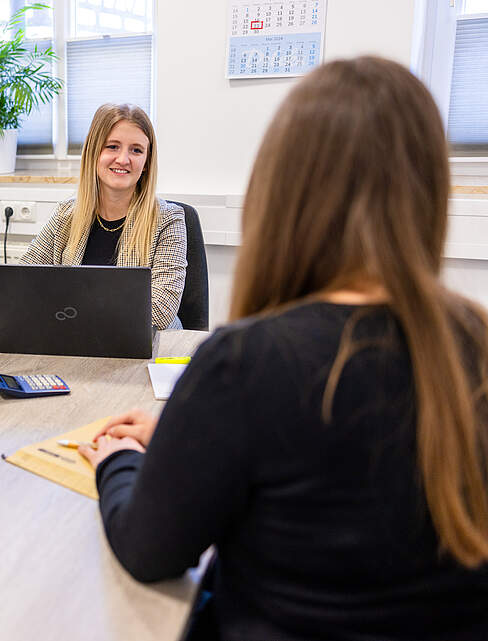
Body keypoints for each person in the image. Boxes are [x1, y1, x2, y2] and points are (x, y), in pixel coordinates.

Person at [79, 57, 488, 640]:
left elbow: (150, 549)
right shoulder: (475, 344)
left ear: (282, 188)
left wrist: (117, 460)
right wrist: (183, 431)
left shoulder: (246, 361)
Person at [20, 103, 187, 330]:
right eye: (112, 146)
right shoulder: (66, 214)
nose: (123, 159)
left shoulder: (169, 219)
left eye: (136, 150)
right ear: (94, 152)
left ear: (146, 162)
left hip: (145, 351)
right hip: (75, 344)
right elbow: (22, 280)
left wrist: (68, 310)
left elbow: (158, 313)